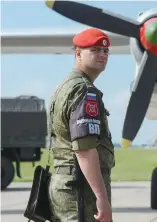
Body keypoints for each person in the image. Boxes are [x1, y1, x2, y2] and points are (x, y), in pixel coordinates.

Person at [47, 28, 114, 222]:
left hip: (65, 185)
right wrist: (101, 198)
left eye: (106, 51)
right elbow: (84, 149)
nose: (102, 55)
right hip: (80, 190)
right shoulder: (83, 90)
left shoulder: (65, 86)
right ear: (78, 53)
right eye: (94, 50)